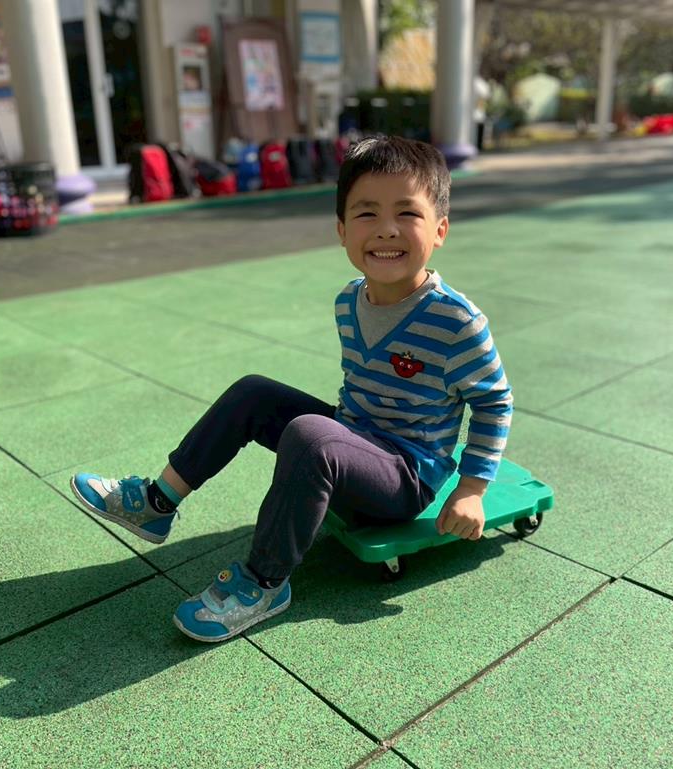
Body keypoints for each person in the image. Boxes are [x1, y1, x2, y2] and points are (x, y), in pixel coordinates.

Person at [70, 136, 513, 643]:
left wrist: (471, 489)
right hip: (355, 443)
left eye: (407, 213)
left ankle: (263, 582)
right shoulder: (349, 301)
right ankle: (157, 502)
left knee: (310, 435)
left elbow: (494, 402)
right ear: (342, 231)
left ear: (439, 230)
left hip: (404, 477)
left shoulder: (456, 321)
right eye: (367, 213)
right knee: (254, 393)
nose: (386, 229)